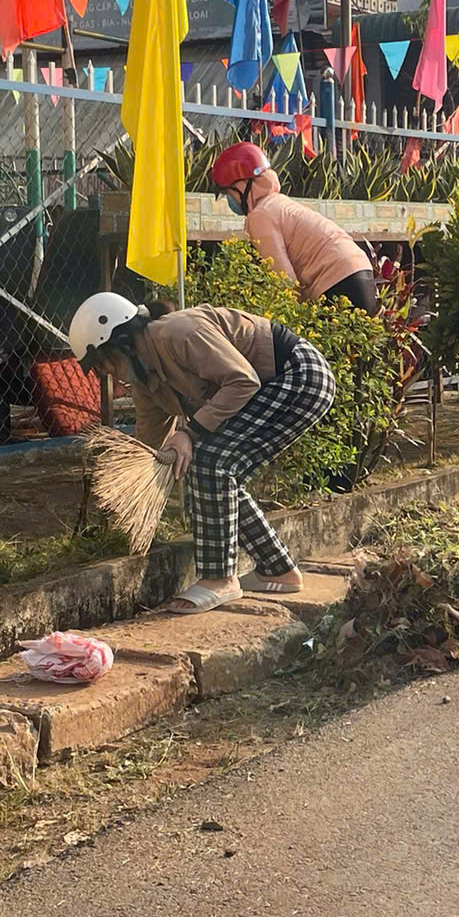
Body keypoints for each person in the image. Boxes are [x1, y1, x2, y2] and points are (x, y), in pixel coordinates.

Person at [67, 290, 335, 613]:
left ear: (120, 342)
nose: (106, 373)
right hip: (269, 388)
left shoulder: (179, 333)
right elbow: (150, 440)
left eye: (104, 363)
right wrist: (135, 484)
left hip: (300, 375)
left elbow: (243, 381)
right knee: (209, 469)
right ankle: (278, 570)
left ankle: (219, 579)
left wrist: (189, 433)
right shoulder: (145, 380)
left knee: (212, 461)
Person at [206, 141, 379, 313]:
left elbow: (283, 279)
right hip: (359, 269)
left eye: (229, 193)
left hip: (337, 281)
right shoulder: (279, 203)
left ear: (243, 186)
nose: (230, 201)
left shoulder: (260, 215)